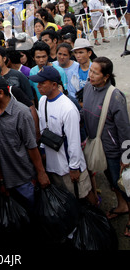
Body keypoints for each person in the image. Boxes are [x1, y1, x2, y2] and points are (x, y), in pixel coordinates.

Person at [0, 74, 50, 209]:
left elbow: (31, 147)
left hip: (24, 178)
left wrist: (41, 173)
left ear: (0, 93)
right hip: (4, 177)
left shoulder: (22, 113)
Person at [28, 66, 94, 202]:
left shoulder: (68, 109)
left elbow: (74, 140)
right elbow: (43, 128)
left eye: (42, 83)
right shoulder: (43, 101)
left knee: (84, 196)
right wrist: (43, 151)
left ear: (54, 85)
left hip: (68, 166)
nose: (38, 86)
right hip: (53, 166)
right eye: (37, 82)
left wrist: (74, 167)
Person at [81, 57, 130, 236]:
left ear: (106, 76)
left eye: (95, 72)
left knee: (123, 184)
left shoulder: (115, 96)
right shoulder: (88, 88)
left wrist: (126, 156)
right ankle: (122, 206)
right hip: (96, 145)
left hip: (114, 150)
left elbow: (125, 130)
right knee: (112, 181)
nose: (90, 75)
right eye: (90, 70)